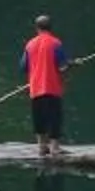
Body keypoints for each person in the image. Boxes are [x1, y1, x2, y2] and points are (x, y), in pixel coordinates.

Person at [24, 15, 72, 160]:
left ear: (37, 28)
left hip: (36, 88)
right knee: (54, 118)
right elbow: (63, 67)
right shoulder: (55, 43)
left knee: (39, 117)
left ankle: (41, 147)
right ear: (51, 27)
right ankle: (55, 148)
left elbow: (24, 67)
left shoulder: (30, 45)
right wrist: (72, 64)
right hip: (52, 87)